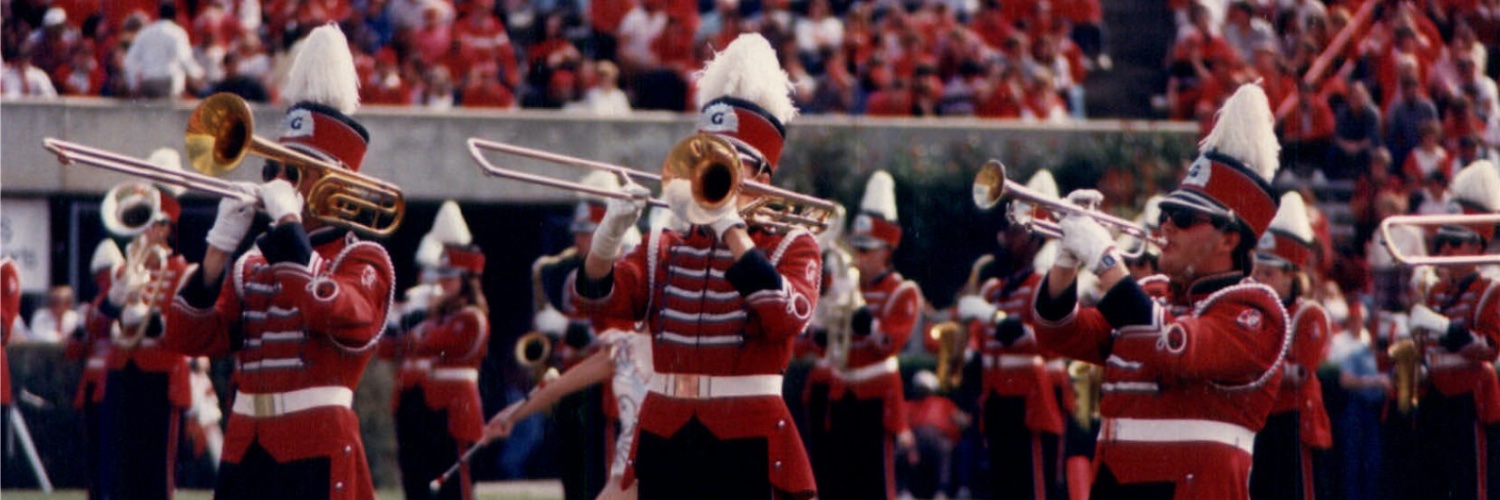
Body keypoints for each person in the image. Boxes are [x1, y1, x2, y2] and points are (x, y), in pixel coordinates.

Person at [572, 33, 820, 499]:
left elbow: (784, 315)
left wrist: (730, 228)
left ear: (763, 175)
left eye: (730, 163)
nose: (710, 171)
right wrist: (608, 233)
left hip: (748, 435)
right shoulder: (662, 245)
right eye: (705, 157)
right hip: (666, 431)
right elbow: (595, 296)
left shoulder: (792, 243)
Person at [165, 25, 394, 499]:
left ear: (336, 182)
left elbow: (329, 309)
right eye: (275, 170)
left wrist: (289, 220)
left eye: (295, 173)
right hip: (246, 446)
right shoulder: (255, 260)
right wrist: (217, 250)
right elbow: (189, 337)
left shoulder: (363, 257)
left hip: (315, 447)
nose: (280, 181)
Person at [1031, 83, 1290, 498]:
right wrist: (1065, 259)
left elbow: (1177, 347)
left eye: (1184, 217)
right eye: (1167, 213)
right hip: (1115, 483)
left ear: (1229, 240)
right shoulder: (1151, 292)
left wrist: (1106, 260)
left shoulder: (1257, 310)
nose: (1165, 225)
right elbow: (1057, 332)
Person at [954, 169, 1067, 500]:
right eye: (1006, 231)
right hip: (997, 401)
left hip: (1029, 402)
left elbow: (1046, 341)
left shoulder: (1042, 285)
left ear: (1034, 241)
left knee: (1032, 487)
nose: (1005, 239)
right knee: (1000, 486)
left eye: (1015, 232)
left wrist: (993, 317)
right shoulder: (996, 288)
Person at [95, 170, 195, 500]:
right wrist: (114, 299)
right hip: (123, 370)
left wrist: (149, 320)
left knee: (154, 473)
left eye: (155, 222)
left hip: (160, 374)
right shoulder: (123, 268)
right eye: (145, 221)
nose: (148, 229)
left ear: (167, 227)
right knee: (119, 469)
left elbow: (183, 327)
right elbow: (97, 320)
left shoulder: (181, 269)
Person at [822, 170, 921, 500]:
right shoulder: (846, 285)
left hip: (877, 398)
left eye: (866, 251)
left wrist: (860, 310)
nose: (858, 258)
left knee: (876, 484)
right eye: (856, 250)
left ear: (886, 251)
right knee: (838, 483)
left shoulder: (902, 291)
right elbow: (820, 341)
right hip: (841, 393)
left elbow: (886, 344)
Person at [1405, 160, 1500, 499]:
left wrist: (1442, 327)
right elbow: (1424, 349)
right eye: (1442, 241)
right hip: (1436, 403)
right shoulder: (1435, 290)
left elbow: (1488, 347)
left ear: (1478, 246)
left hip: (1469, 403)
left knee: (1470, 488)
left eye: (1455, 243)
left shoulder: (1490, 290)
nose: (1444, 250)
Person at [395, 203, 489, 500]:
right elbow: (392, 346)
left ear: (466, 281)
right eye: (441, 277)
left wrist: (414, 326)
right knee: (418, 485)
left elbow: (431, 342)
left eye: (450, 278)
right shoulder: (435, 314)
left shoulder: (471, 317)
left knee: (453, 488)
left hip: (454, 410)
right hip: (423, 406)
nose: (442, 284)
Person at [1247, 191, 1333, 499]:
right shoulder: (1251, 311)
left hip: (1295, 423)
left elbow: (1299, 375)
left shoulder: (1308, 315)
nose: (1259, 279)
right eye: (1257, 272)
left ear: (1290, 277)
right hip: (1261, 421)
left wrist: (1249, 366)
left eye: (1268, 274)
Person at [71, 239, 123, 499]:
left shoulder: (111, 301)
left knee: (105, 448)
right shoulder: (97, 303)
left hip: (110, 381)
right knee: (97, 448)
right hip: (96, 384)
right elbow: (75, 349)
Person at [123, 2, 203, 98]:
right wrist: (198, 74)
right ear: (175, 15)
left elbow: (130, 59)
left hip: (148, 83)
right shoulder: (177, 32)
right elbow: (183, 58)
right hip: (169, 83)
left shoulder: (145, 32)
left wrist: (133, 83)